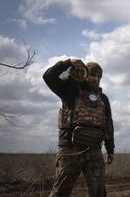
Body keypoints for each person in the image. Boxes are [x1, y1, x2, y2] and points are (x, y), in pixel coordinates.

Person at [43, 59, 114, 197]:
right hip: (70, 149)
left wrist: (110, 149)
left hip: (94, 150)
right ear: (85, 74)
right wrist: (68, 63)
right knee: (60, 192)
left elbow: (108, 125)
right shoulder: (70, 90)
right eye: (93, 75)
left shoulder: (103, 98)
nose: (96, 79)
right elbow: (48, 77)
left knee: (99, 192)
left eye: (99, 76)